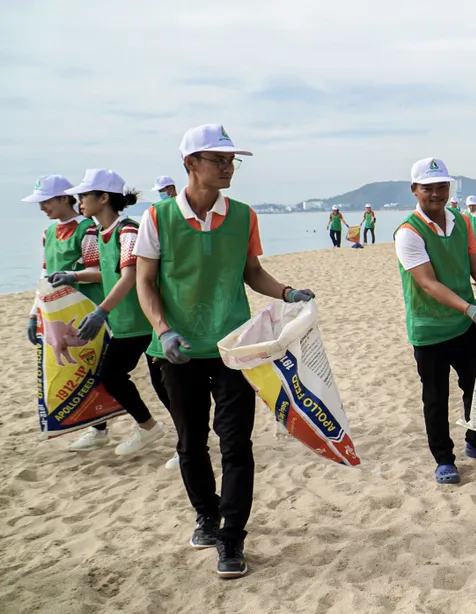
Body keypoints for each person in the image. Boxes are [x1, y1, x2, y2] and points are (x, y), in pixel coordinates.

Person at [135, 124, 315, 578]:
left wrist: (286, 292)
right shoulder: (157, 218)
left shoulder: (244, 216)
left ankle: (232, 538)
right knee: (191, 443)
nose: (229, 166)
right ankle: (206, 516)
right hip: (177, 352)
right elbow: (145, 281)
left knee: (236, 444)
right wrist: (164, 329)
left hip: (234, 349)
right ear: (190, 164)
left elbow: (251, 271)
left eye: (232, 160)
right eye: (219, 159)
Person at [394, 157, 476, 485]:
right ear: (415, 190)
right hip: (431, 329)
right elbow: (428, 283)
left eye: (442, 186)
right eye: (428, 188)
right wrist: (469, 308)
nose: (436, 193)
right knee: (435, 397)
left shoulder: (461, 222)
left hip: (466, 325)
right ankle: (444, 460)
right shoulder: (408, 232)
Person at [65, 169, 172, 458]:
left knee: (156, 384)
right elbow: (106, 274)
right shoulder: (101, 232)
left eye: (83, 195)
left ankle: (177, 438)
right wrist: (73, 277)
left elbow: (130, 275)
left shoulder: (128, 230)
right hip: (124, 323)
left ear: (103, 197)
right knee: (120, 377)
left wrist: (101, 310)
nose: (79, 201)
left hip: (144, 321)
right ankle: (153, 429)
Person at [22, 174, 106, 450]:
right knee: (72, 368)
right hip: (55, 312)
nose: (42, 208)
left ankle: (99, 428)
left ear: (63, 198)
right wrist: (35, 314)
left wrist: (72, 275)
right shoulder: (48, 233)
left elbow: (98, 271)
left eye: (46, 202)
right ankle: (94, 427)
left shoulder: (87, 230)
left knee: (91, 368)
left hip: (85, 308)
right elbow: (44, 275)